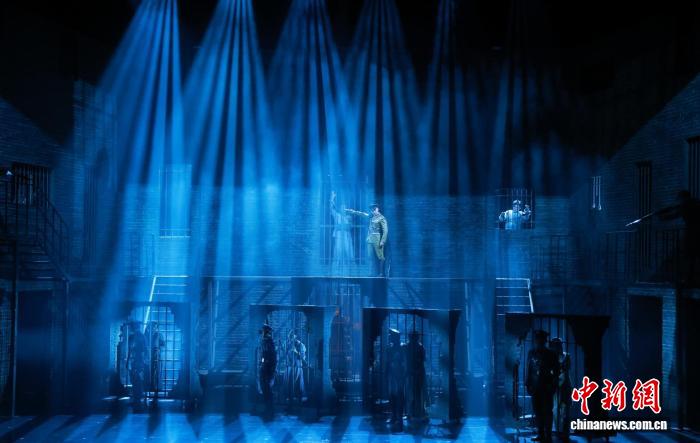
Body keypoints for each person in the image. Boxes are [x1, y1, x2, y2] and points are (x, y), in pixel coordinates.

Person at [657, 190, 700, 286]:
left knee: (689, 256)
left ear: (682, 198)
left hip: (692, 233)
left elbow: (674, 215)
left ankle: (689, 280)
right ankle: (692, 279)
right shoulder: (696, 203)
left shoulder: (686, 205)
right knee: (693, 256)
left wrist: (661, 216)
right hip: (696, 232)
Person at [525, 330, 559, 443]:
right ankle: (541, 434)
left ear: (544, 340)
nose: (539, 341)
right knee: (537, 411)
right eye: (537, 339)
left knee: (547, 411)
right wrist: (528, 384)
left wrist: (553, 385)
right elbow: (529, 368)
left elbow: (556, 370)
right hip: (535, 386)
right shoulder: (531, 352)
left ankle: (547, 435)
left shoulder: (551, 354)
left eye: (541, 339)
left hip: (546, 386)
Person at [345, 203, 388, 277]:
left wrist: (382, 241)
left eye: (374, 209)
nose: (372, 211)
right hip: (370, 238)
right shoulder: (370, 216)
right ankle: (371, 273)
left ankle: (381, 273)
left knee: (380, 256)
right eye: (371, 209)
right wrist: (350, 211)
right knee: (369, 256)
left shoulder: (382, 218)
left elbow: (385, 230)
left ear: (378, 209)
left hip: (377, 238)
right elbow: (361, 213)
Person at [550, 338, 572, 442]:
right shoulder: (551, 357)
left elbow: (565, 368)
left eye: (558, 345)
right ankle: (559, 431)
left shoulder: (566, 356)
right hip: (555, 385)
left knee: (565, 409)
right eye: (555, 345)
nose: (557, 347)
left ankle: (565, 432)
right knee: (555, 409)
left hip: (565, 385)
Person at [404, 329, 428, 422]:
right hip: (413, 372)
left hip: (417, 372)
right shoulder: (412, 347)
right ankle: (414, 412)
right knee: (412, 393)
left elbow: (422, 360)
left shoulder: (419, 347)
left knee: (417, 392)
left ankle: (417, 411)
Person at [386, 328, 406, 431]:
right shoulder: (390, 348)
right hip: (392, 375)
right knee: (392, 396)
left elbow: (404, 362)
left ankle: (399, 416)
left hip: (399, 375)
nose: (389, 338)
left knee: (400, 396)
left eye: (391, 336)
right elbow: (388, 362)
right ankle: (393, 415)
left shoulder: (402, 348)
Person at [330, 191, 355, 271]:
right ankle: (335, 269)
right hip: (339, 236)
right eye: (342, 208)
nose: (343, 209)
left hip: (346, 236)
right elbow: (331, 208)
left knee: (348, 251)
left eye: (345, 208)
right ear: (340, 209)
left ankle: (350, 269)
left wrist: (343, 226)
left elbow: (350, 227)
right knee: (338, 251)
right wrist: (332, 198)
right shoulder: (337, 215)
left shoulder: (349, 217)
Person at [258, 324, 277, 420]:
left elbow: (272, 357)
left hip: (268, 369)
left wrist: (271, 370)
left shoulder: (269, 342)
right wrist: (261, 363)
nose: (262, 334)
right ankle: (268, 410)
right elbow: (263, 356)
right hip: (265, 368)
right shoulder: (265, 342)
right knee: (265, 390)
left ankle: (270, 411)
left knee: (268, 390)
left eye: (263, 332)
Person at [128, 322, 147, 409]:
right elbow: (144, 349)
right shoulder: (141, 336)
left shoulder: (133, 337)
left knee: (135, 379)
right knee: (137, 379)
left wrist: (128, 361)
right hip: (138, 360)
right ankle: (137, 398)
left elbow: (130, 350)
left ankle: (137, 398)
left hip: (136, 360)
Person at [284, 330, 307, 403]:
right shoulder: (289, 344)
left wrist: (296, 351)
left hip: (297, 366)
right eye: (290, 336)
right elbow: (286, 354)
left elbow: (302, 357)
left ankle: (298, 398)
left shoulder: (301, 345)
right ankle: (289, 397)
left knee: (297, 382)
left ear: (296, 337)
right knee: (288, 382)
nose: (291, 338)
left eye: (292, 336)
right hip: (289, 366)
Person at [147, 322, 166, 406]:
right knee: (150, 373)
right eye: (151, 327)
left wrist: (158, 349)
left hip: (156, 356)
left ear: (156, 327)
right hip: (149, 357)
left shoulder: (159, 335)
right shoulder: (148, 335)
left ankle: (156, 391)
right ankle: (150, 389)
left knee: (157, 373)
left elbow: (164, 345)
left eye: (154, 327)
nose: (152, 328)